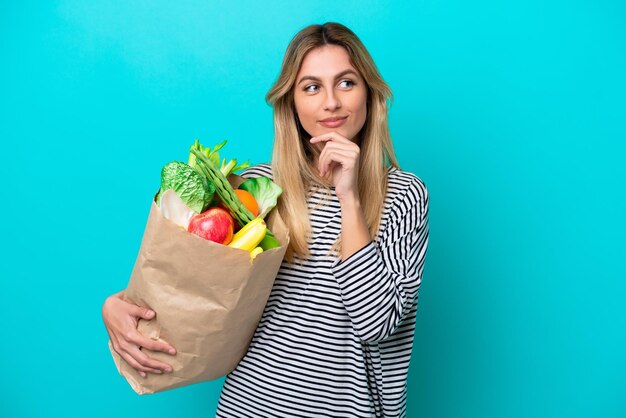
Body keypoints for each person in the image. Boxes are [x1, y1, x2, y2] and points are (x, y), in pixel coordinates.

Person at [102, 22, 429, 417]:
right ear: (291, 102)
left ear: (369, 94)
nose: (330, 103)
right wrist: (118, 304)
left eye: (346, 83)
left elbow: (376, 323)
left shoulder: (404, 195)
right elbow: (191, 282)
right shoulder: (257, 191)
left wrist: (349, 196)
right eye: (311, 87)